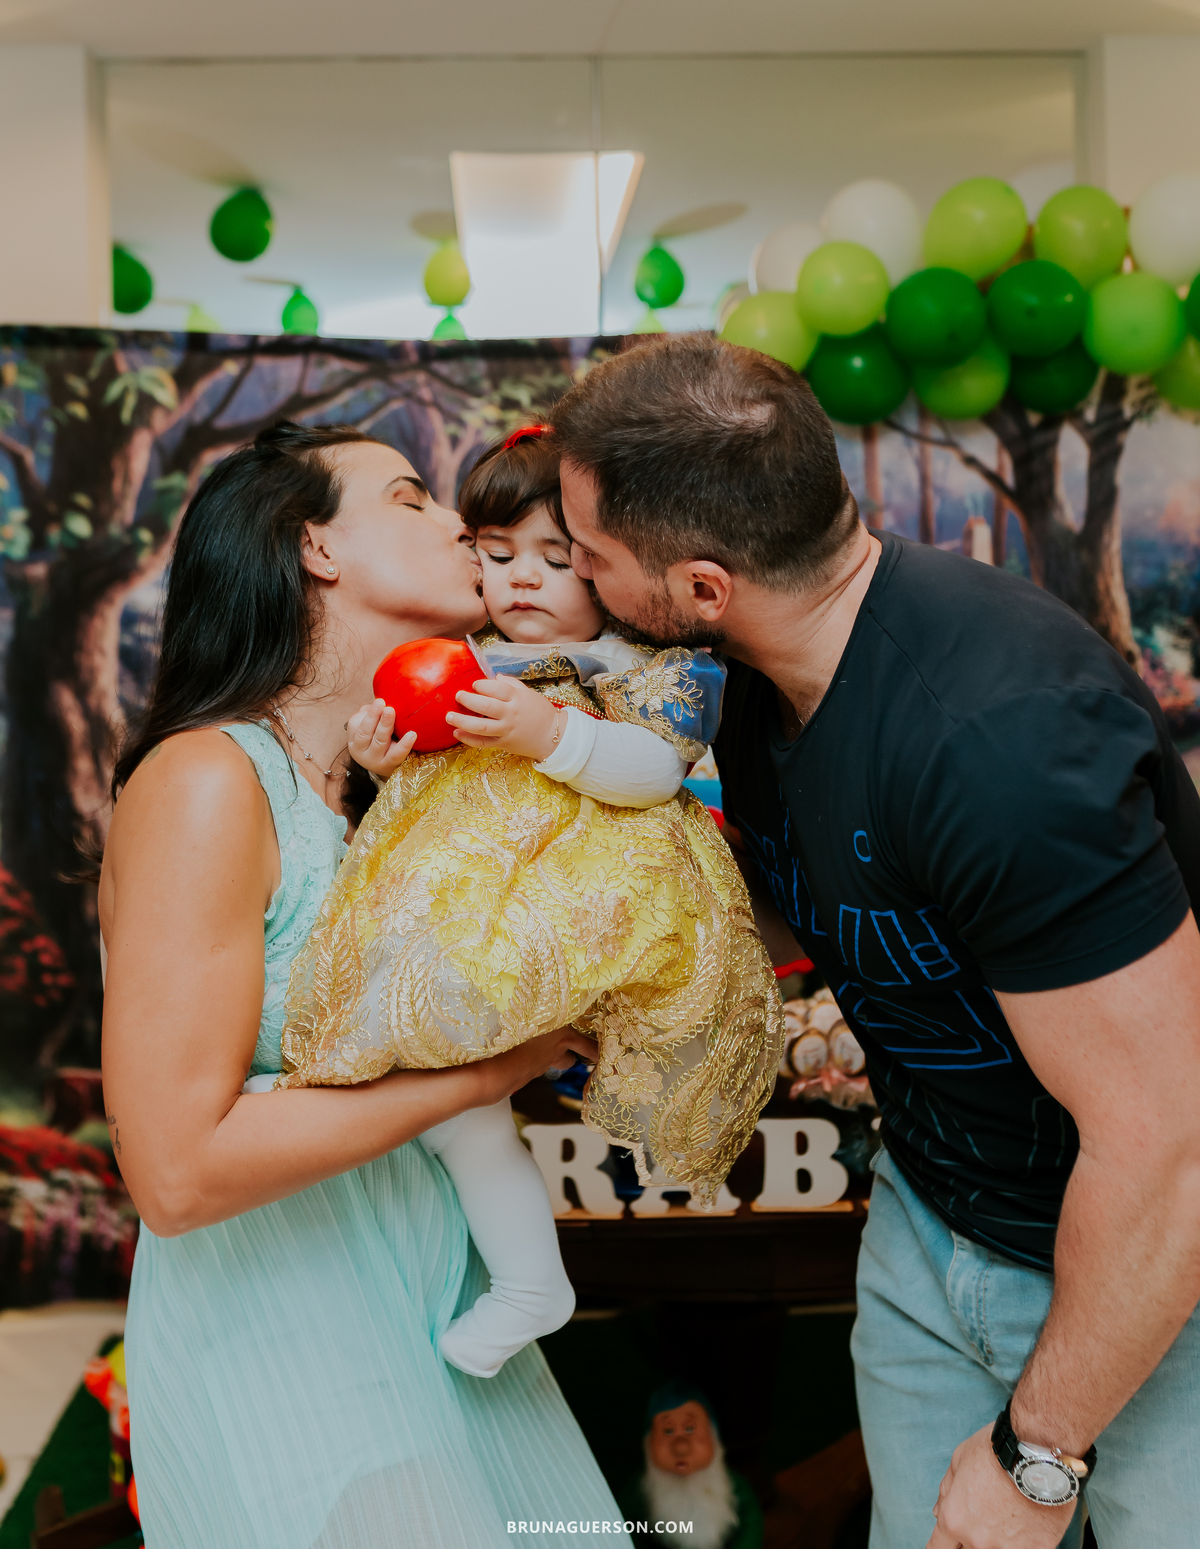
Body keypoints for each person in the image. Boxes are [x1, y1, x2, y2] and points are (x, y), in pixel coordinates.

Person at [550, 334, 1200, 1549]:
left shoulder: (1000, 745)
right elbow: (844, 900)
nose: (573, 574)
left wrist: (1038, 1459)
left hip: (1148, 1265)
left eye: (589, 554)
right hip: (931, 1214)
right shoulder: (750, 677)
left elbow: (1168, 1149)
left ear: (702, 583)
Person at [100, 421, 620, 1549]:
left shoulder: (393, 792)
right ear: (314, 548)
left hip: (433, 1304)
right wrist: (492, 1069)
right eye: (410, 496)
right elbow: (177, 1171)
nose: (456, 526)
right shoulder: (206, 779)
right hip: (289, 1333)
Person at [280, 424, 782, 1378]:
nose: (521, 580)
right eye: (496, 553)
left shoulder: (643, 668)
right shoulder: (452, 656)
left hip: (593, 919)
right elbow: (428, 793)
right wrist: (384, 764)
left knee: (449, 1092)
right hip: (478, 914)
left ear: (609, 569)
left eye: (558, 559)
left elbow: (652, 774)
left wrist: (551, 730)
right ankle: (527, 1280)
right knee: (446, 1110)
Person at [619, 1380, 762, 1549]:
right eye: (668, 1431)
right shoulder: (640, 1490)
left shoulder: (732, 1485)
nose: (681, 1447)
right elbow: (621, 1526)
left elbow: (752, 1526)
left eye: (689, 1429)